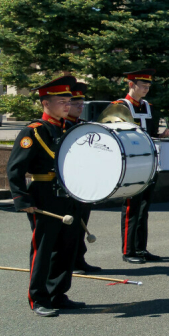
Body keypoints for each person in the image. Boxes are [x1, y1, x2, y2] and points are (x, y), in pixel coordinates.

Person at [6, 76, 79, 316]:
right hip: (44, 193)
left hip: (69, 193)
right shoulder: (33, 131)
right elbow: (14, 169)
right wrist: (22, 200)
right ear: (45, 103)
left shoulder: (70, 129)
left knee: (67, 246)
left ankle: (58, 293)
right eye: (61, 101)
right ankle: (38, 298)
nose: (67, 105)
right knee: (44, 247)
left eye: (69, 100)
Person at [114, 69, 166, 264]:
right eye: (143, 86)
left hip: (148, 161)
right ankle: (128, 250)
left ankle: (141, 247)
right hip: (130, 163)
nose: (146, 89)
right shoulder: (119, 107)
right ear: (131, 85)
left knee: (144, 206)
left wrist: (164, 135)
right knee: (131, 207)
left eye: (148, 86)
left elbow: (152, 135)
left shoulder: (149, 107)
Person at [65, 82, 99, 274]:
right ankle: (70, 262)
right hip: (70, 183)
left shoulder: (84, 126)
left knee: (82, 222)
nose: (80, 107)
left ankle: (79, 259)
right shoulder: (63, 126)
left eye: (81, 104)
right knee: (71, 226)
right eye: (76, 104)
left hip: (85, 183)